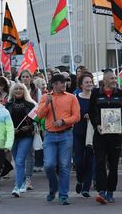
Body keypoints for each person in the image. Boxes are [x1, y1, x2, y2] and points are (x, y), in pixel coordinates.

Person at [36, 74, 80, 205]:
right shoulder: (45, 97)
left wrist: (64, 121)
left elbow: (77, 116)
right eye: (62, 83)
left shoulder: (71, 97)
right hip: (50, 135)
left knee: (64, 166)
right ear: (55, 85)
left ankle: (63, 195)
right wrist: (47, 103)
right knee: (49, 165)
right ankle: (53, 188)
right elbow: (39, 115)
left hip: (66, 134)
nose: (65, 85)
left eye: (65, 82)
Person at [89, 69, 122, 204]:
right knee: (100, 162)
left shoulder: (121, 94)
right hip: (100, 135)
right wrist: (97, 125)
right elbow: (91, 111)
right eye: (111, 78)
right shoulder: (95, 93)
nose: (114, 81)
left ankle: (110, 192)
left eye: (115, 78)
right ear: (104, 80)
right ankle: (101, 191)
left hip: (116, 135)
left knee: (113, 164)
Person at [6, 82, 37, 197]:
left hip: (26, 136)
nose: (18, 90)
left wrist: (29, 126)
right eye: (16, 89)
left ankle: (17, 186)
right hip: (13, 136)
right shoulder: (7, 105)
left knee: (19, 161)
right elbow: (5, 121)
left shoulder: (31, 105)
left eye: (20, 89)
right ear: (12, 91)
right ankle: (23, 181)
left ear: (24, 91)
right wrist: (10, 129)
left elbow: (36, 121)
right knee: (18, 162)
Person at [73, 73, 95, 198]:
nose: (89, 84)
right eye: (86, 82)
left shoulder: (96, 97)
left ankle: (86, 187)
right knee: (79, 160)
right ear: (81, 85)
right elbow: (73, 113)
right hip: (79, 132)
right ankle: (80, 179)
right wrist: (82, 116)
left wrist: (92, 116)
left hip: (92, 134)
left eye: (91, 82)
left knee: (90, 160)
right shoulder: (76, 97)